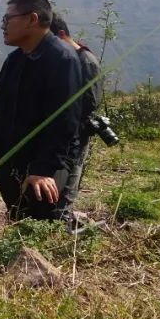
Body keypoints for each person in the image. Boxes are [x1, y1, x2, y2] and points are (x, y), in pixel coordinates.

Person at [0, 0, 82, 222]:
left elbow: (65, 122)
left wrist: (43, 170)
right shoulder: (14, 61)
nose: (3, 26)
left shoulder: (62, 60)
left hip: (44, 168)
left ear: (32, 19)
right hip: (12, 162)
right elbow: (0, 112)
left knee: (41, 223)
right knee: (17, 218)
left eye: (8, 19)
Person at [50, 15, 103, 212]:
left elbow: (90, 102)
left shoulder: (86, 61)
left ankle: (63, 215)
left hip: (77, 129)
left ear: (62, 35)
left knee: (72, 169)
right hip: (62, 128)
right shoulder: (67, 60)